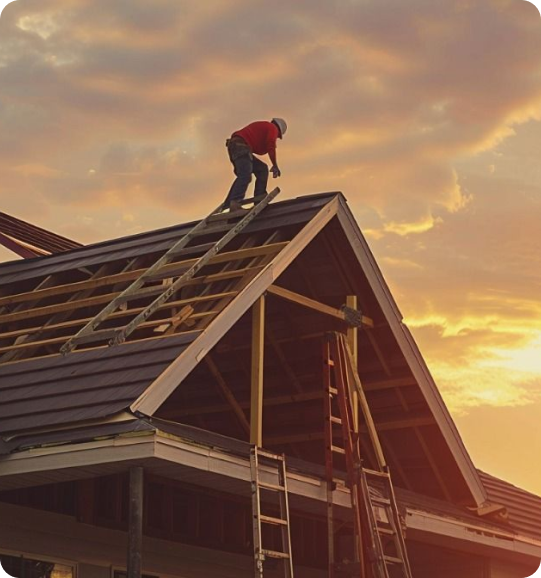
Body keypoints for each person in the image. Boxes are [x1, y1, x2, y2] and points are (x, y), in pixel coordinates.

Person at [222, 118, 287, 212]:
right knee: (245, 175)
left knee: (262, 169)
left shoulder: (265, 127)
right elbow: (270, 144)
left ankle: (258, 198)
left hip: (237, 146)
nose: (276, 138)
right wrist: (275, 165)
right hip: (241, 146)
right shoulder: (272, 128)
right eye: (277, 136)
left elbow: (260, 146)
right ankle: (235, 203)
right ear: (279, 131)